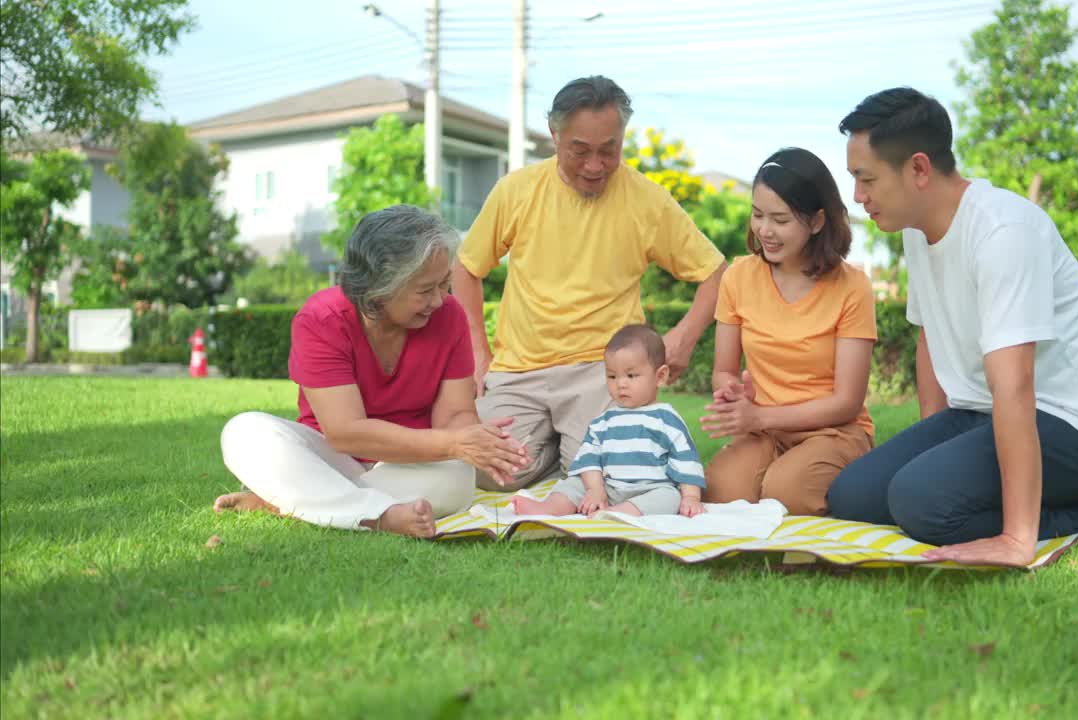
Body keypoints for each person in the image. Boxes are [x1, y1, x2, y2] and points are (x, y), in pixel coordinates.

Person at [827, 88, 1078, 566]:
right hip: (983, 410)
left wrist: (1018, 541)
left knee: (920, 504)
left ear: (918, 169)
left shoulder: (1003, 231)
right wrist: (932, 445)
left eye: (866, 178)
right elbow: (929, 334)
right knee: (852, 497)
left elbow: (1015, 385)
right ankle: (993, 498)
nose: (858, 196)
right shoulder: (915, 228)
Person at [452, 75, 727, 492]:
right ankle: (559, 455)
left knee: (617, 477)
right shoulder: (516, 191)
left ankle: (573, 452)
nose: (595, 165)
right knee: (485, 471)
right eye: (580, 150)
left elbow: (715, 271)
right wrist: (477, 352)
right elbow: (465, 268)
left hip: (603, 371)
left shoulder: (648, 199)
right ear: (554, 135)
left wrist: (685, 337)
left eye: (608, 150)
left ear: (622, 138)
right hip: (518, 370)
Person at [214, 205, 529, 538]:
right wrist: (453, 443)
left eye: (445, 284)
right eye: (425, 290)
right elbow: (345, 432)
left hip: (408, 462)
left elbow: (455, 415)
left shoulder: (449, 316)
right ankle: (379, 515)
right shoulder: (322, 320)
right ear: (378, 288)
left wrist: (475, 441)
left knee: (457, 479)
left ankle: (299, 501)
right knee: (243, 432)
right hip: (332, 456)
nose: (439, 300)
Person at [699, 147, 878, 517]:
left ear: (816, 222)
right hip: (763, 431)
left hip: (834, 431)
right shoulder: (738, 277)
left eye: (780, 220)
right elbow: (723, 370)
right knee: (719, 491)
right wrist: (730, 391)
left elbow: (847, 401)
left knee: (786, 494)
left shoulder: (853, 287)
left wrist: (760, 417)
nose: (765, 230)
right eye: (757, 215)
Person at [511, 324, 706, 517]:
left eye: (631, 375)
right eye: (612, 376)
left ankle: (621, 512)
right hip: (609, 488)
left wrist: (691, 497)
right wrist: (595, 490)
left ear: (660, 376)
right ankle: (549, 508)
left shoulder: (666, 418)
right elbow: (589, 459)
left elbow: (686, 459)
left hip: (650, 490)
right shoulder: (604, 420)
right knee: (574, 483)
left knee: (669, 497)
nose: (620, 384)